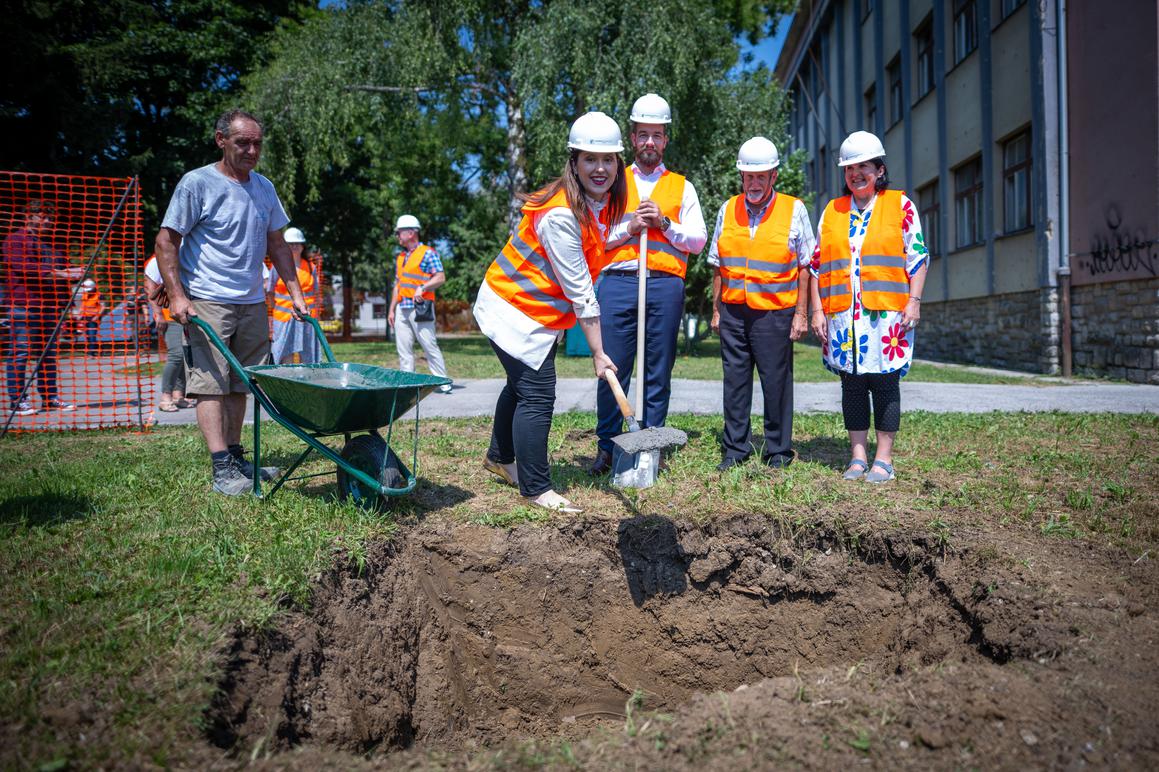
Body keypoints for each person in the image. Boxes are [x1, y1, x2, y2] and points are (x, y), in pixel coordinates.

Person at [473, 111, 626, 513]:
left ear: (617, 164)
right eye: (590, 159)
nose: (600, 168)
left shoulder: (592, 204)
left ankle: (499, 457)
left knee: (518, 385)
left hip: (528, 311)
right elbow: (582, 293)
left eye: (608, 159)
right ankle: (536, 488)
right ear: (574, 161)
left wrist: (630, 230)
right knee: (537, 394)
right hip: (513, 309)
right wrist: (598, 353)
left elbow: (596, 244)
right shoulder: (560, 214)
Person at [154, 108, 308, 496]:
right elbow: (166, 241)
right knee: (210, 384)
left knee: (243, 383)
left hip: (253, 301)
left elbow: (278, 243)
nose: (252, 150)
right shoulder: (197, 183)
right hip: (208, 300)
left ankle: (238, 457)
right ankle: (221, 467)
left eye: (257, 143)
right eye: (243, 142)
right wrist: (176, 295)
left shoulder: (264, 187)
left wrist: (296, 293)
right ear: (221, 139)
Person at [589, 93, 707, 475]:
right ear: (633, 137)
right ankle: (608, 447)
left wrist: (665, 224)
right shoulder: (613, 182)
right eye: (643, 135)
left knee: (658, 368)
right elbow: (595, 237)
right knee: (612, 367)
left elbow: (699, 240)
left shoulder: (681, 187)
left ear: (665, 139)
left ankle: (648, 447)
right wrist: (631, 227)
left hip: (664, 284)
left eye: (657, 135)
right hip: (618, 282)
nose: (650, 143)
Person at [809, 131, 929, 484]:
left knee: (885, 383)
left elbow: (917, 256)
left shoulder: (900, 205)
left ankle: (884, 460)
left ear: (879, 169)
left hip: (888, 316)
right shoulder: (833, 211)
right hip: (844, 316)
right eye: (849, 168)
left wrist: (914, 301)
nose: (856, 173)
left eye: (864, 166)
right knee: (853, 385)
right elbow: (817, 265)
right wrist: (817, 311)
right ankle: (858, 457)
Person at [708, 137, 816, 471]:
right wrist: (716, 310)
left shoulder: (793, 208)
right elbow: (717, 264)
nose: (754, 183)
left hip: (775, 312)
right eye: (748, 176)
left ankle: (778, 451)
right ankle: (735, 450)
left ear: (773, 177)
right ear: (741, 177)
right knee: (735, 382)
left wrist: (801, 313)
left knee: (776, 383)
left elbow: (806, 264)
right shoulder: (728, 209)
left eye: (761, 176)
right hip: (733, 311)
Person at [3, 199, 83, 416]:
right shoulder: (15, 239)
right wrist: (62, 273)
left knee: (47, 354)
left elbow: (64, 269)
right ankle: (18, 400)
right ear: (28, 217)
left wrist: (75, 274)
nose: (48, 221)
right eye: (43, 217)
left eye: (50, 218)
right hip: (24, 306)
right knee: (21, 352)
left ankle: (50, 397)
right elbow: (26, 268)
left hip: (51, 306)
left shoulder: (55, 243)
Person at [388, 214, 452, 393]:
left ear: (411, 233)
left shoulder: (428, 253)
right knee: (404, 348)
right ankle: (408, 384)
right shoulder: (401, 257)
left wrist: (423, 287)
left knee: (428, 344)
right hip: (402, 307)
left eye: (399, 232)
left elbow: (440, 277)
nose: (397, 236)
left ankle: (442, 382)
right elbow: (398, 285)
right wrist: (391, 309)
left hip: (420, 307)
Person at [143, 254, 193, 411]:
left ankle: (179, 395)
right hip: (168, 314)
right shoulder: (158, 259)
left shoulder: (186, 251)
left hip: (186, 313)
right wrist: (157, 313)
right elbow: (150, 287)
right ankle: (166, 397)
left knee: (184, 355)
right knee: (176, 354)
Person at [268, 226, 321, 364]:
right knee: (284, 352)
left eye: (297, 243)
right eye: (290, 244)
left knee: (308, 354)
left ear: (303, 246)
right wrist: (274, 311)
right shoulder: (277, 266)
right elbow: (270, 291)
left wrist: (315, 316)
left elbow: (315, 293)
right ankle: (287, 379)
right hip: (283, 318)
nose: (294, 246)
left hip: (307, 318)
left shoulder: (310, 267)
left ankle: (308, 380)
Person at [72, 279, 106, 353]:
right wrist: (79, 315)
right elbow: (83, 305)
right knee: (88, 335)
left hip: (94, 318)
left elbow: (103, 307)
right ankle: (99, 348)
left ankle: (91, 353)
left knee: (91, 335)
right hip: (85, 317)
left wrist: (97, 316)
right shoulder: (85, 294)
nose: (88, 291)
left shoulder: (99, 295)